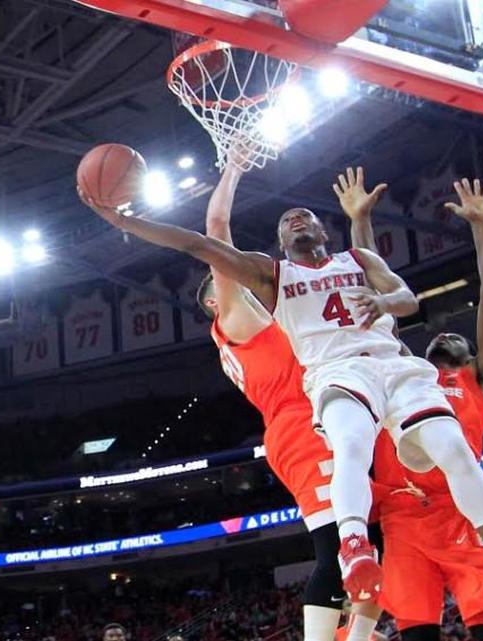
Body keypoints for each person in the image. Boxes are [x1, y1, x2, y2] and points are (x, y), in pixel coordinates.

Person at [80, 166, 483, 616]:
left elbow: (407, 299)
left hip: (395, 367)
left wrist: (382, 295)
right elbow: (200, 242)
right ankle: (354, 546)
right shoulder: (271, 275)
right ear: (281, 243)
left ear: (325, 229)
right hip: (337, 373)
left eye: (305, 215)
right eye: (286, 221)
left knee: (454, 450)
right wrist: (124, 221)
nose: (296, 218)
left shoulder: (360, 260)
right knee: (350, 445)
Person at [344, 176, 483, 636]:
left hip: (463, 511)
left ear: (472, 355)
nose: (445, 334)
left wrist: (482, 227)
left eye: (458, 336)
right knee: (416, 632)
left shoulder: (479, 380)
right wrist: (360, 221)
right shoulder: (401, 372)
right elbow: (374, 304)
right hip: (402, 521)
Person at [192, 157, 379, 641]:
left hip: (338, 411)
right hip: (300, 426)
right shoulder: (235, 320)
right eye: (225, 280)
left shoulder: (277, 316)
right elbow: (216, 228)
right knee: (337, 545)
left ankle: (355, 637)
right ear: (216, 301)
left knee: (371, 539)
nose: (237, 279)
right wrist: (233, 168)